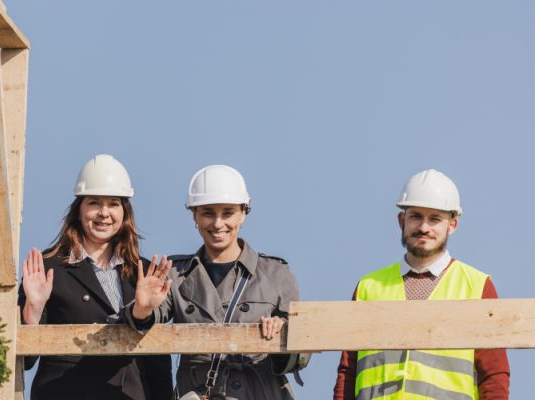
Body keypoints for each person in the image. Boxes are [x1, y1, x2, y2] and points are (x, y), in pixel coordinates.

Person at [129, 164, 309, 400]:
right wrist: (142, 309)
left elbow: (301, 356)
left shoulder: (276, 274)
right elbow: (143, 324)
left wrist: (280, 334)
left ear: (243, 213)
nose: (217, 223)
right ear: (194, 215)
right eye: (208, 213)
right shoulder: (175, 273)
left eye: (227, 212)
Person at [333, 169, 510, 400]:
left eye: (435, 218)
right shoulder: (369, 287)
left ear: (452, 225)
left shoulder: (477, 286)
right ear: (401, 221)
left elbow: (494, 375)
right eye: (416, 216)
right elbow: (349, 372)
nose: (424, 227)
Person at [18, 154, 172, 400]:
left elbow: (157, 361)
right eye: (93, 203)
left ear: (125, 213)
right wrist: (33, 311)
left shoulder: (143, 274)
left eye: (113, 203)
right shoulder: (49, 269)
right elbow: (23, 362)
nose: (103, 213)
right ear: (79, 210)